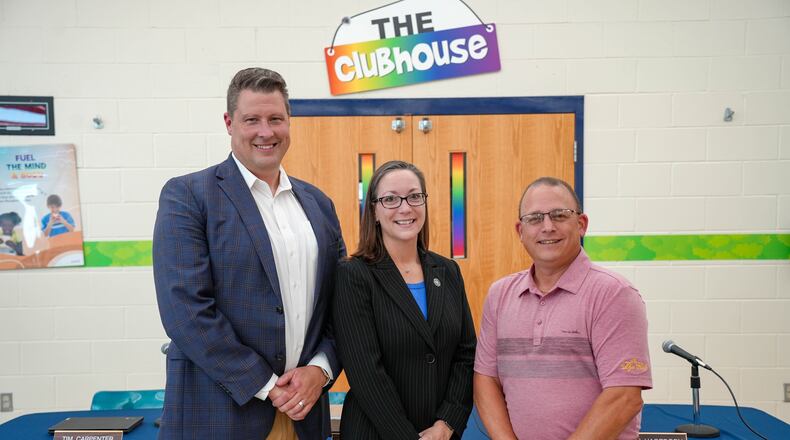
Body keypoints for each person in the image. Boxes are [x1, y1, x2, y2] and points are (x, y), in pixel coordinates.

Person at [153, 67, 345, 440]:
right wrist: (267, 385)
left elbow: (342, 304)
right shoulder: (188, 196)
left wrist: (320, 370)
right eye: (252, 120)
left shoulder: (319, 204)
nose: (265, 131)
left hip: (305, 413)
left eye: (276, 119)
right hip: (221, 414)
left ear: (289, 121)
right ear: (229, 123)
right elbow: (185, 311)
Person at [474, 177, 651, 440]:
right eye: (535, 218)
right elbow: (485, 379)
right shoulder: (500, 295)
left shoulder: (613, 294)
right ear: (520, 231)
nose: (547, 227)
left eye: (559, 215)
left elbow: (624, 398)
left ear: (581, 224)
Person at [333, 160, 477, 440]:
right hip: (375, 433)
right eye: (390, 199)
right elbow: (366, 373)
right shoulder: (354, 275)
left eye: (414, 196)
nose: (405, 207)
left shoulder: (447, 271)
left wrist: (447, 423)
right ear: (374, 211)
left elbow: (466, 354)